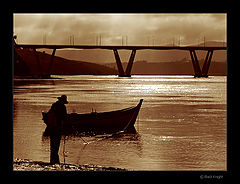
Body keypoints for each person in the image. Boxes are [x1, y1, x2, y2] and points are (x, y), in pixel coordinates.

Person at [47, 95, 68, 164]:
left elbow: (49, 114)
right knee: (56, 146)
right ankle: (55, 162)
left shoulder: (54, 105)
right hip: (57, 128)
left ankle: (52, 161)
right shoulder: (63, 107)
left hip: (51, 127)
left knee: (52, 145)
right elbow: (65, 118)